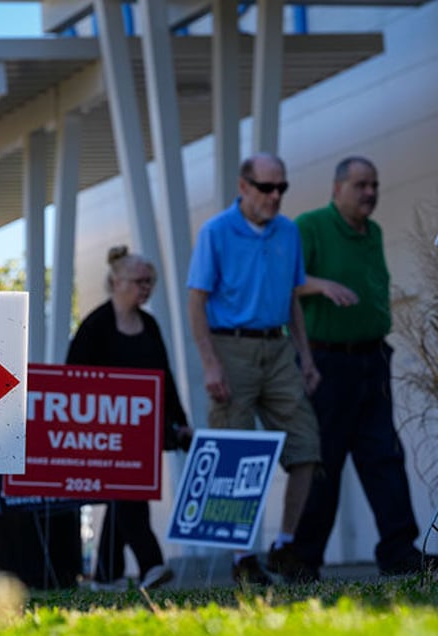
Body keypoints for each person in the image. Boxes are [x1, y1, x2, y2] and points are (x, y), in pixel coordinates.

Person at [292, 156, 437, 578]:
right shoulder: (311, 225)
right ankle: (304, 558)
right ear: (337, 189)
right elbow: (284, 281)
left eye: (374, 184)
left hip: (372, 359)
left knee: (384, 455)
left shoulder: (371, 231)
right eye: (360, 185)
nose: (370, 193)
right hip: (326, 361)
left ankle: (399, 551)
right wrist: (321, 284)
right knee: (325, 460)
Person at [187, 153, 321, 585]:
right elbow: (196, 302)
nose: (276, 196)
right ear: (243, 187)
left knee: (306, 445)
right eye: (266, 188)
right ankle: (242, 556)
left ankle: (284, 545)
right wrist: (210, 364)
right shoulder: (216, 232)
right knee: (234, 454)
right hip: (231, 348)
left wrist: (306, 357)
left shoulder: (288, 231)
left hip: (278, 347)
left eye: (282, 188)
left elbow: (292, 298)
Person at [67, 245, 193, 590]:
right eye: (139, 281)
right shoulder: (95, 325)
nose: (146, 288)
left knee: (126, 492)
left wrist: (179, 422)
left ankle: (107, 574)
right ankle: (152, 563)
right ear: (116, 282)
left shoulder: (149, 325)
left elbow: (164, 378)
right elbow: (71, 378)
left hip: (144, 430)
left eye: (150, 282)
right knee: (127, 492)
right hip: (105, 429)